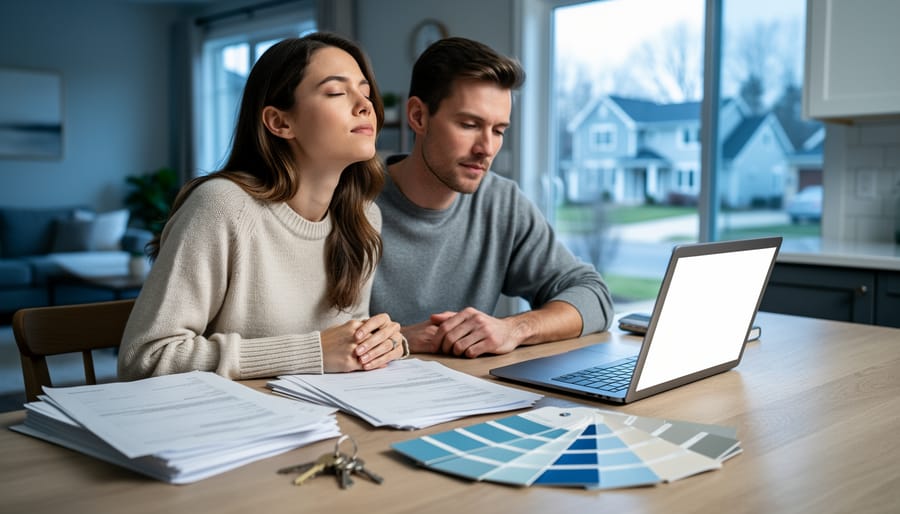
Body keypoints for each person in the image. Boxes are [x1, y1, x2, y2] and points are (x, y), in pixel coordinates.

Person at [119, 33, 408, 381]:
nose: (366, 105)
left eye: (365, 91)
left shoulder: (363, 218)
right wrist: (311, 352)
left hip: (318, 422)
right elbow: (145, 358)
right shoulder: (222, 206)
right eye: (335, 92)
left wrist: (380, 345)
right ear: (280, 122)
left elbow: (343, 353)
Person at [371, 37, 614, 358]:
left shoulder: (501, 202)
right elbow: (304, 333)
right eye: (469, 125)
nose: (486, 148)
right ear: (418, 116)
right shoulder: (348, 196)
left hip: (473, 395)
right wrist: (398, 338)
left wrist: (514, 328)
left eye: (499, 130)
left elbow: (593, 294)